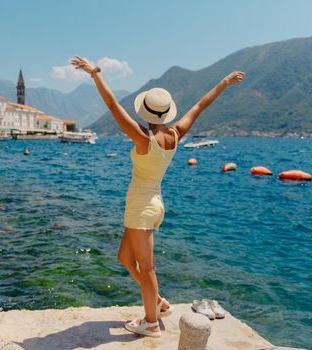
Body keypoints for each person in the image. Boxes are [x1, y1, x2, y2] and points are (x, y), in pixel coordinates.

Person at [71, 56, 244, 337]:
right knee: (125, 258)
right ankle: (158, 302)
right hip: (152, 204)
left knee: (147, 268)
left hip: (141, 207)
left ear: (145, 113)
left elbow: (113, 105)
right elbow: (200, 105)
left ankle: (151, 323)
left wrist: (95, 73)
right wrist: (224, 82)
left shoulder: (144, 139)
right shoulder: (175, 135)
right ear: (166, 114)